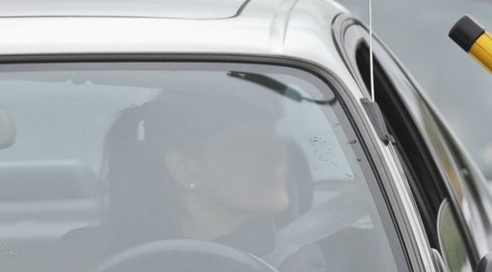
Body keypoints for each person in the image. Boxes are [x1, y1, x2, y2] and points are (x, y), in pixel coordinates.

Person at [60, 83, 326, 272]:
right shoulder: (90, 255)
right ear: (186, 168)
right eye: (252, 144)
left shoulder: (296, 259)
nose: (278, 154)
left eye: (273, 138)